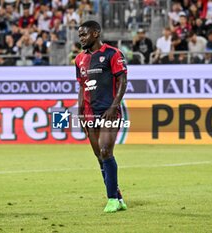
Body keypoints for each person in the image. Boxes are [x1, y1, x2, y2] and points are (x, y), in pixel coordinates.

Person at [75, 20, 127, 213]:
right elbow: (82, 86)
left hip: (109, 111)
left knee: (106, 151)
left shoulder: (113, 54)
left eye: (84, 34)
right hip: (89, 113)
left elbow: (123, 80)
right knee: (99, 157)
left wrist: (115, 106)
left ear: (95, 33)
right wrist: (80, 111)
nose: (81, 38)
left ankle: (112, 199)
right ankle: (118, 197)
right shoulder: (79, 59)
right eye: (80, 35)